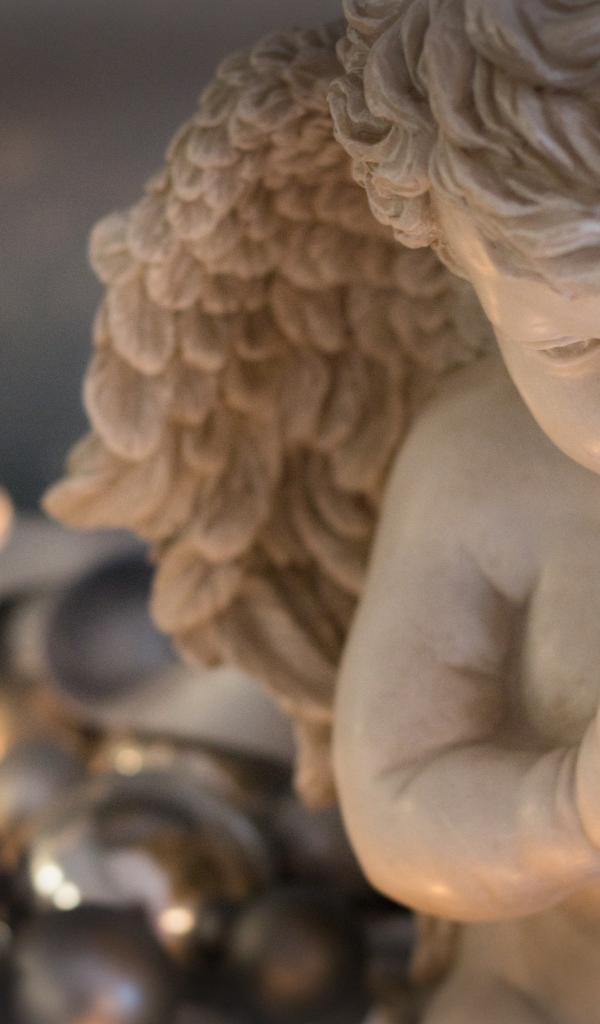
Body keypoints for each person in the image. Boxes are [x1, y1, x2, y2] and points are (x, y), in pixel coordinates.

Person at [45, 1, 600, 1018]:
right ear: (466, 270)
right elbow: (400, 796)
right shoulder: (478, 473)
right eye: (579, 347)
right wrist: (559, 812)